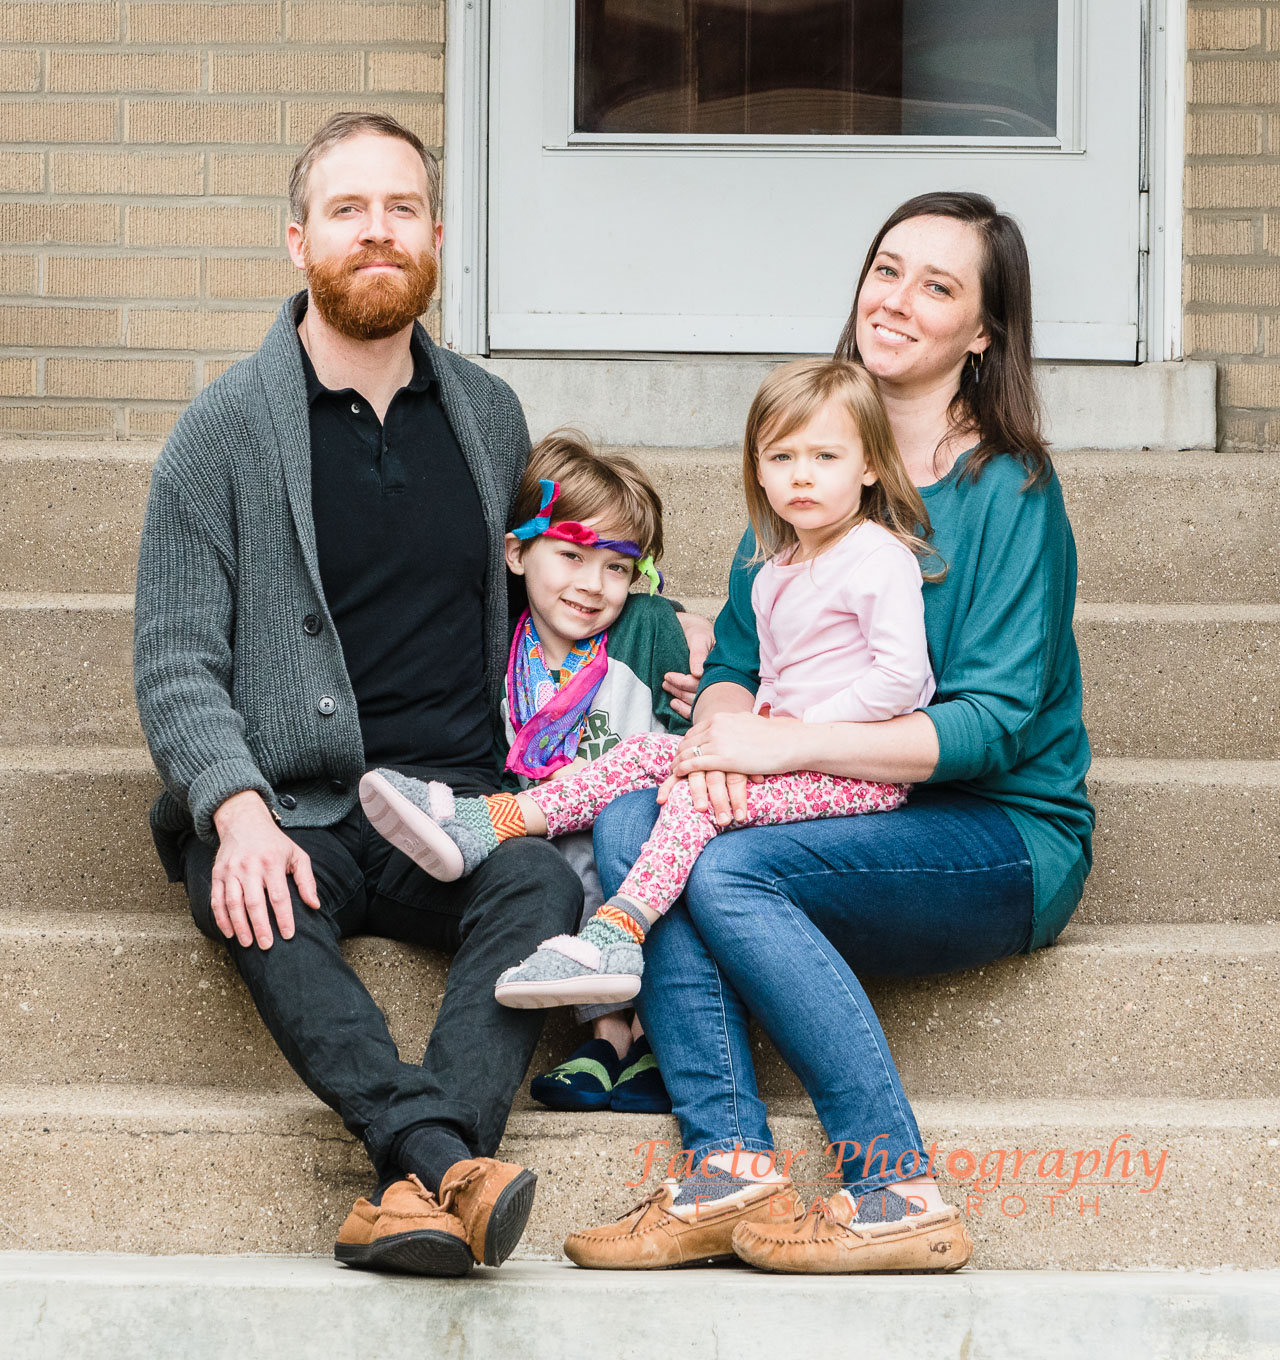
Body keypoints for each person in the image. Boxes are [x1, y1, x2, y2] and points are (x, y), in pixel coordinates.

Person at [132, 110, 705, 1278]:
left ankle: (412, 1187)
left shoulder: (486, 417)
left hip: (454, 806)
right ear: (298, 240)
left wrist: (684, 631)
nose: (376, 230)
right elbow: (174, 659)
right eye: (346, 209)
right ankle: (441, 1160)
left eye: (401, 208)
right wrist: (234, 809)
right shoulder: (221, 432)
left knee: (541, 878)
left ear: (437, 236)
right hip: (295, 807)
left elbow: (567, 569)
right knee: (250, 890)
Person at [560, 192, 1093, 1274]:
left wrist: (783, 743)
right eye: (886, 269)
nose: (895, 300)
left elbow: (991, 727)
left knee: (728, 871)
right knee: (630, 822)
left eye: (937, 286)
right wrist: (721, 744)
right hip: (823, 799)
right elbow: (733, 668)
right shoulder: (811, 462)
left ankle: (893, 1186)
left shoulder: (1009, 493)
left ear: (982, 333)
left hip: (993, 830)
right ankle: (727, 1170)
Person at [369, 358, 936, 1014]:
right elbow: (774, 677)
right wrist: (750, 727)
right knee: (640, 756)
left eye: (825, 456)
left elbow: (903, 679)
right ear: (757, 469)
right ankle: (484, 823)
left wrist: (787, 734)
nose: (802, 474)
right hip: (782, 753)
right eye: (782, 456)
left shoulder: (878, 558)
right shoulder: (774, 569)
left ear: (870, 466)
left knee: (693, 797)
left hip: (853, 771)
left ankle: (619, 931)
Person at [360, 430, 688, 1114]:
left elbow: (687, 734)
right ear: (516, 553)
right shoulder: (494, 640)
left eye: (617, 567)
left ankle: (646, 1036)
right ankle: (605, 1038)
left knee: (614, 842)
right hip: (543, 827)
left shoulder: (649, 627)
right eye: (571, 555)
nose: (592, 585)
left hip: (641, 822)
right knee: (552, 862)